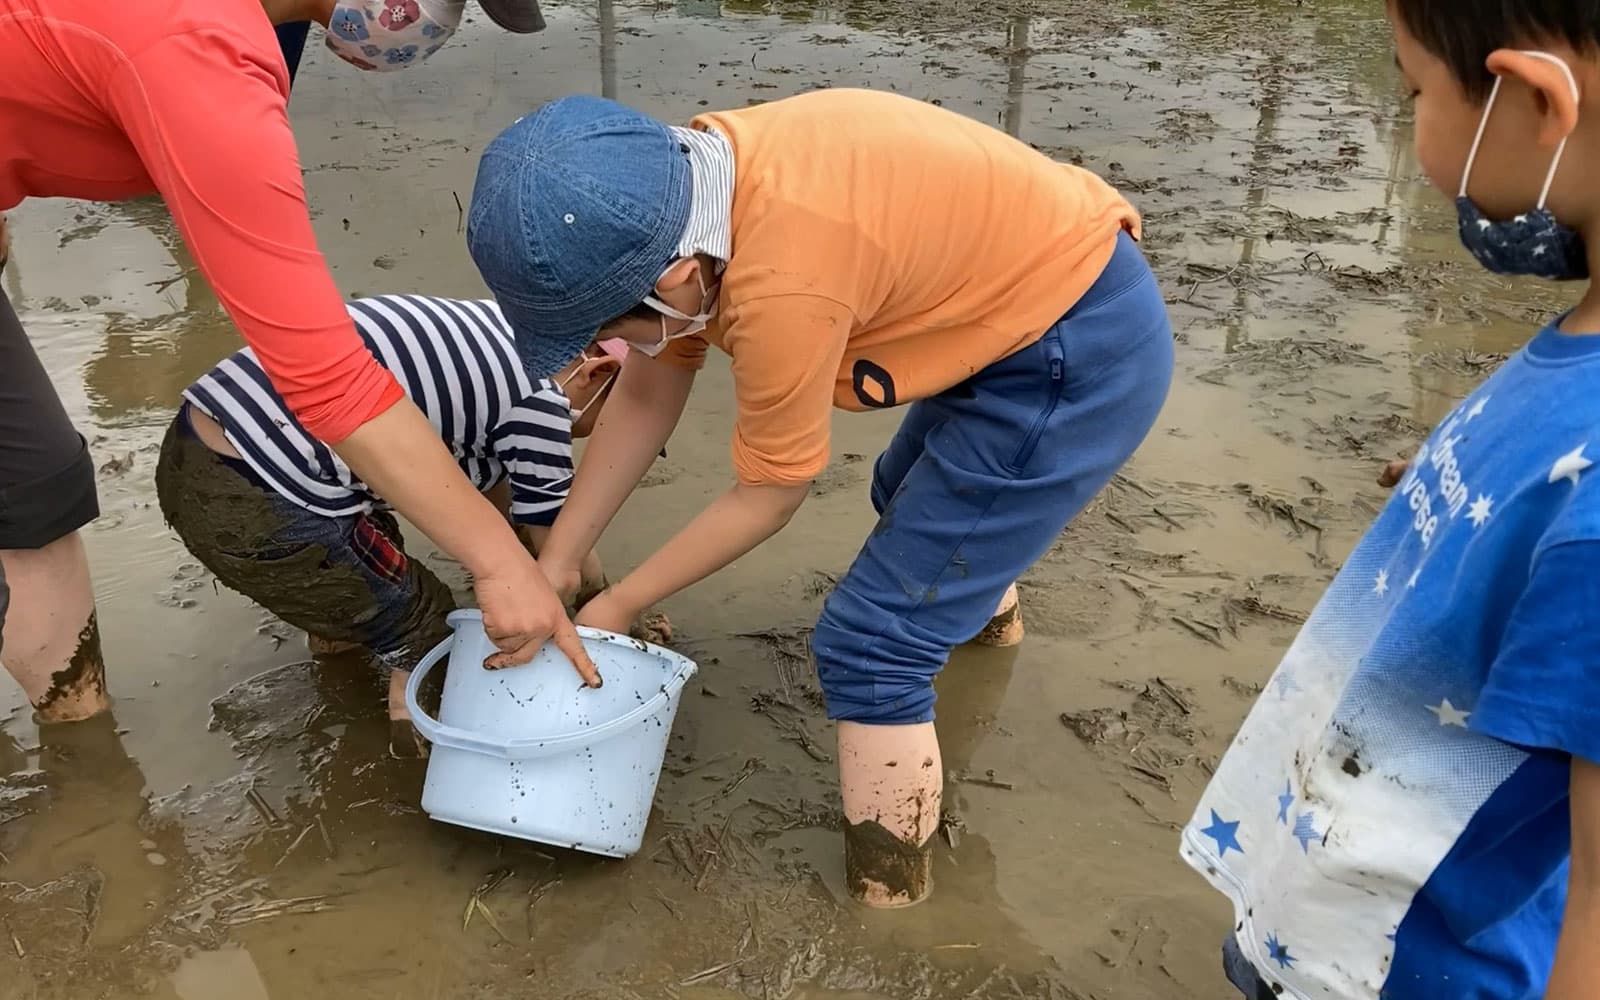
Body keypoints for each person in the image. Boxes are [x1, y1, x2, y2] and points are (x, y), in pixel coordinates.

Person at [464, 88, 1175, 907]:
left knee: (872, 647)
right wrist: (557, 562)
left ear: (679, 277)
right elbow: (649, 390)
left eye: (608, 331)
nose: (606, 351)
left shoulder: (782, 284)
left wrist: (619, 604)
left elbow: (771, 491)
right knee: (903, 497)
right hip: (1011, 304)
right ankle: (987, 630)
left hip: (1073, 351)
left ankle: (893, 909)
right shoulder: (680, 190)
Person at [0, 0, 587, 729]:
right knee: (423, 627)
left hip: (210, 440)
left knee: (39, 490)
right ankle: (420, 740)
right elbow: (328, 380)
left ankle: (83, 762)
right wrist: (502, 567)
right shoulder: (197, 54)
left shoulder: (249, 36)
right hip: (251, 475)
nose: (442, 18)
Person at [1180, 4, 1600, 998]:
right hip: (1325, 906)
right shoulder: (1577, 346)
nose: (1409, 122)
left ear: (1535, 102)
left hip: (1400, 965)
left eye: (1413, 91)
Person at [155, 295, 621, 757]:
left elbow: (494, 506)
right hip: (258, 493)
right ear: (597, 371)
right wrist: (605, 608)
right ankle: (414, 748)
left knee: (372, 557)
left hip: (199, 444)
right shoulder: (543, 400)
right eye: (611, 425)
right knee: (424, 624)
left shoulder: (502, 330)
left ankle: (339, 640)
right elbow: (562, 543)